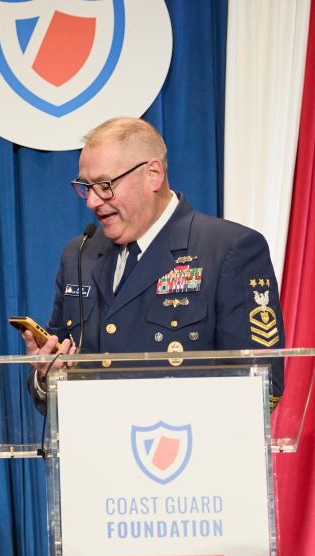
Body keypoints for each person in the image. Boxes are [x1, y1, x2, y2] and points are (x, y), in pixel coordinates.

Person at [29, 117, 285, 401]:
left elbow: (262, 386)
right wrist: (45, 376)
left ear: (153, 174)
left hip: (184, 442)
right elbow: (56, 360)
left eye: (104, 185)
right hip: (96, 442)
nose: (91, 201)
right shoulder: (80, 254)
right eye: (85, 187)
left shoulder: (229, 249)